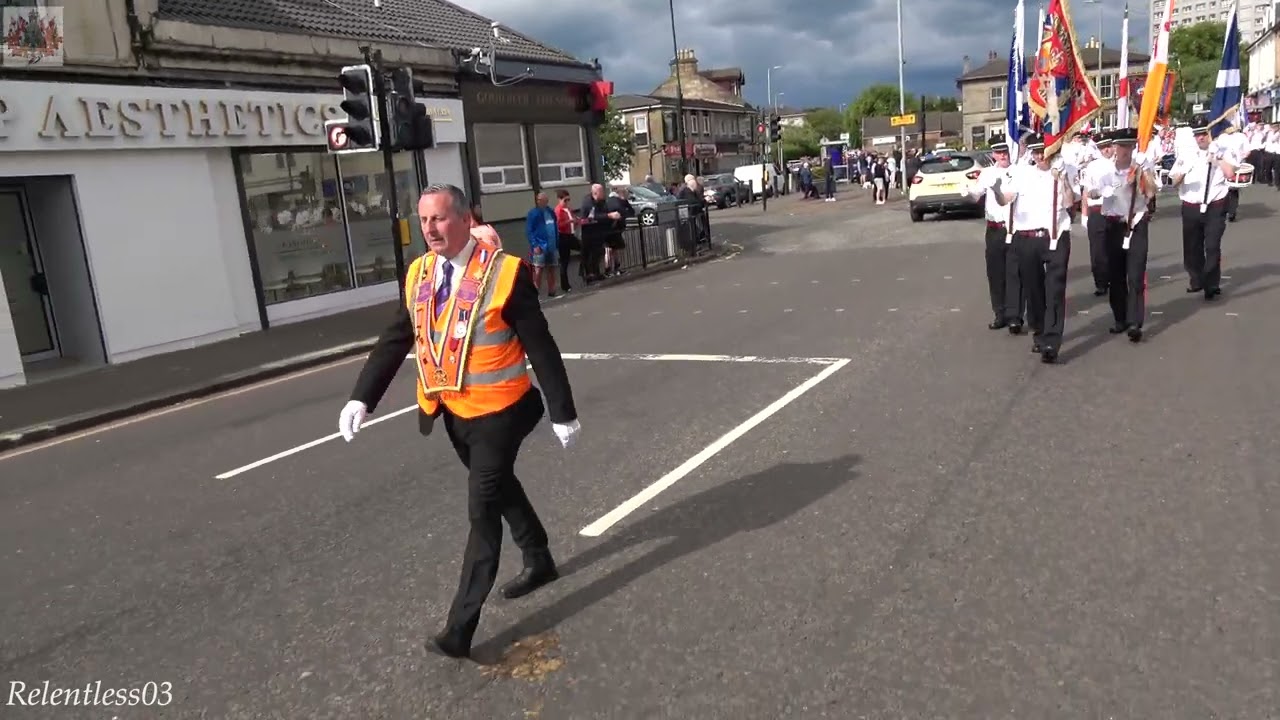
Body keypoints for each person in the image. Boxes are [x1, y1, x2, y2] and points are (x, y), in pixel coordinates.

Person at [337, 183, 581, 659]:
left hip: (503, 411)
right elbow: (396, 338)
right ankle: (538, 559)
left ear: (466, 219)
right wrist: (362, 399)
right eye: (424, 220)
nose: (430, 229)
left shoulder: (506, 274)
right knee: (499, 486)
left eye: (440, 218)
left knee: (482, 511)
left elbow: (541, 345)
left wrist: (562, 410)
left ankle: (459, 629)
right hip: (452, 412)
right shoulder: (418, 275)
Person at [995, 133, 1074, 364]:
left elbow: (1070, 203)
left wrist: (1065, 181)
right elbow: (1006, 198)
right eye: (1037, 152)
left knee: (1055, 289)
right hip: (1027, 237)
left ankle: (1051, 341)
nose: (1041, 156)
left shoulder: (1063, 170)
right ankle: (1039, 331)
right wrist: (997, 191)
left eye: (1045, 151)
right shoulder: (1021, 173)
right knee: (1034, 290)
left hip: (1056, 235)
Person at [1089, 128, 1159, 342]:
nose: (1125, 151)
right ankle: (1120, 318)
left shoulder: (1140, 167)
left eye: (1130, 146)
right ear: (1114, 148)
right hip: (1113, 225)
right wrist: (1101, 192)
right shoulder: (1104, 170)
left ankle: (1135, 322)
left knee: (1136, 274)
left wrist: (1142, 177)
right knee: (1116, 275)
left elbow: (1152, 193)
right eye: (1122, 146)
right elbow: (1091, 192)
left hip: (1136, 223)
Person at [960, 133, 1022, 333]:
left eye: (1005, 151)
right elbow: (976, 195)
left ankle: (1015, 316)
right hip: (994, 229)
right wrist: (967, 192)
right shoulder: (987, 174)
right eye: (998, 152)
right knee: (996, 273)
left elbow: (1012, 197)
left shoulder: (1019, 171)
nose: (1002, 155)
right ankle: (1000, 313)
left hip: (1013, 227)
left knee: (1014, 273)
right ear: (993, 154)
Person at [1168, 120, 1235, 300]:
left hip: (1215, 204)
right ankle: (1196, 279)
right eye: (1197, 135)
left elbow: (1230, 173)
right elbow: (1173, 182)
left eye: (1204, 134)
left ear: (1210, 134)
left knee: (1212, 246)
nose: (1201, 138)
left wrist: (1218, 158)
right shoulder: (1187, 154)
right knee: (1192, 247)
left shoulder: (1221, 151)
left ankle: (1211, 284)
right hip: (1191, 205)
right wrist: (1182, 173)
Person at [1079, 133, 1114, 296]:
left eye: (1108, 146)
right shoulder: (1092, 167)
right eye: (1102, 147)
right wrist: (1084, 214)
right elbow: (1086, 191)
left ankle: (1115, 279)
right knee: (1097, 251)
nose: (1106, 150)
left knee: (1115, 248)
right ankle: (1101, 282)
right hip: (1097, 210)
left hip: (1115, 209)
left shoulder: (1118, 164)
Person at [524, 192, 559, 297]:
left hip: (551, 244)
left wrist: (557, 241)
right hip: (540, 245)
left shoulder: (550, 212)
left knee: (551, 268)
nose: (542, 202)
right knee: (538, 270)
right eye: (540, 200)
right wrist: (534, 245)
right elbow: (529, 231)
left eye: (544, 200)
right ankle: (535, 293)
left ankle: (552, 290)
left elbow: (555, 226)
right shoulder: (533, 214)